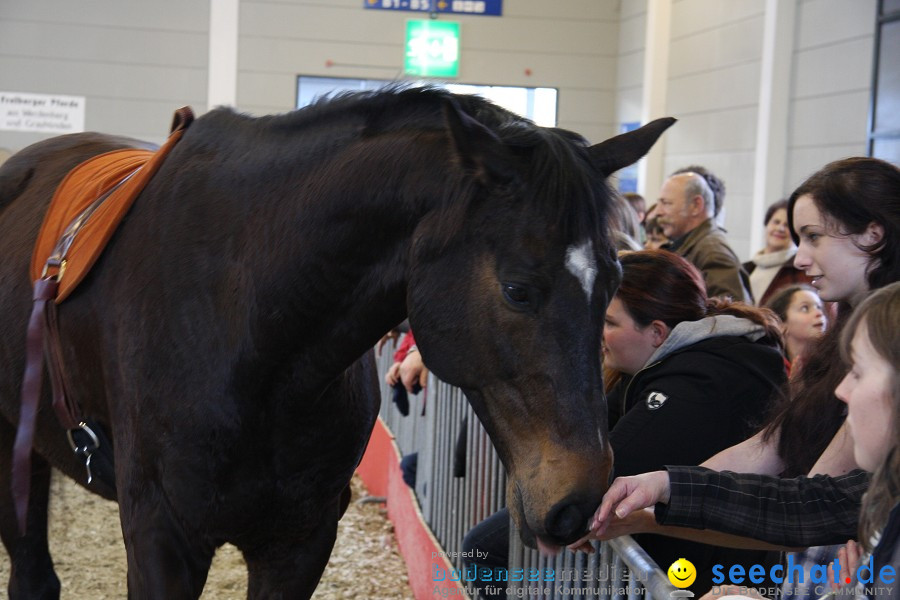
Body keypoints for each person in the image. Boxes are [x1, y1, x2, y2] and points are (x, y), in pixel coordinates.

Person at [573, 156, 900, 597]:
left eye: (814, 237)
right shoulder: (849, 329)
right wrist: (659, 493)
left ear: (873, 235)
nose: (801, 258)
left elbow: (814, 505)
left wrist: (660, 497)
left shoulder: (884, 329)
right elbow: (772, 450)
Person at [463, 249, 787, 596]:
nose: (595, 332)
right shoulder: (665, 365)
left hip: (713, 574)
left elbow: (599, 477)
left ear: (657, 333)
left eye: (609, 322)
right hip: (689, 558)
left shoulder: (701, 380)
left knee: (484, 550)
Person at [588, 281, 900, 600]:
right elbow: (802, 501)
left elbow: (803, 506)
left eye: (859, 373)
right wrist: (667, 485)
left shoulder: (706, 374)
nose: (842, 391)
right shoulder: (881, 489)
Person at [656, 171, 752, 301]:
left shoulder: (713, 253)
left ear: (696, 205)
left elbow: (733, 315)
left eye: (666, 203)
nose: (658, 212)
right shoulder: (697, 246)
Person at [744, 199, 814, 306]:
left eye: (787, 225)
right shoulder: (746, 269)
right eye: (776, 222)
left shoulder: (803, 272)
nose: (780, 228)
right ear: (767, 225)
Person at [763, 283, 826, 373]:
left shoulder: (833, 363)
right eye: (805, 308)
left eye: (819, 307)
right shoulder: (770, 369)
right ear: (780, 325)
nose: (819, 313)